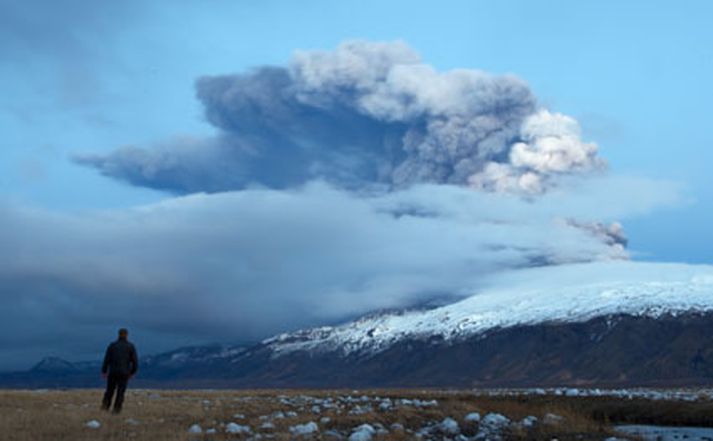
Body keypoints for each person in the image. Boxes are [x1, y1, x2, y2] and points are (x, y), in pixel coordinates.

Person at [101, 328, 138, 414]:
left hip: (113, 372)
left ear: (118, 334)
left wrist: (104, 371)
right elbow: (135, 362)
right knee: (120, 392)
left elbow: (107, 359)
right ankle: (116, 410)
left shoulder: (112, 346)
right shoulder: (130, 346)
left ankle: (105, 407)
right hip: (124, 373)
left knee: (110, 390)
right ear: (127, 335)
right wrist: (132, 372)